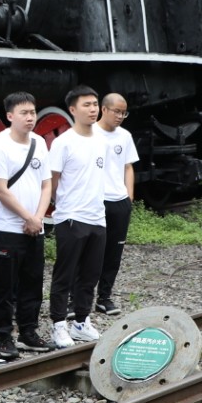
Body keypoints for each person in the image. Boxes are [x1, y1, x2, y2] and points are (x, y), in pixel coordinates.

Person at [0, 92, 53, 356]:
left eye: (33, 112)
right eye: (24, 113)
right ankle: (4, 335)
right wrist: (27, 217)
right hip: (8, 227)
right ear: (9, 116)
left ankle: (28, 331)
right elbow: (0, 189)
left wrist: (38, 217)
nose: (30, 117)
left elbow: (46, 184)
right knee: (4, 286)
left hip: (35, 226)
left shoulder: (39, 143)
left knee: (33, 281)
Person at [47, 86, 108, 347]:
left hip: (97, 217)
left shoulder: (101, 140)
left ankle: (81, 321)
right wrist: (60, 205)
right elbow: (52, 180)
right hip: (71, 216)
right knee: (65, 274)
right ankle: (58, 324)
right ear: (72, 109)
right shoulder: (63, 142)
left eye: (95, 104)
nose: (93, 109)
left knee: (90, 275)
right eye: (86, 105)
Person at [95, 93, 139, 317]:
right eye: (117, 111)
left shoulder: (125, 136)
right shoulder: (91, 134)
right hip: (96, 201)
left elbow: (128, 167)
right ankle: (77, 299)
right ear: (104, 109)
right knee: (90, 251)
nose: (120, 116)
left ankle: (104, 297)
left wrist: (128, 197)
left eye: (124, 113)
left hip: (119, 202)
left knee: (114, 253)